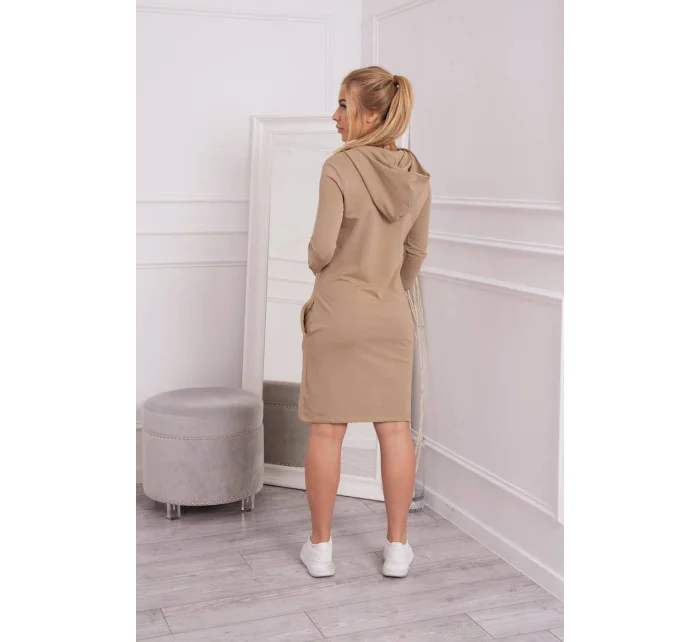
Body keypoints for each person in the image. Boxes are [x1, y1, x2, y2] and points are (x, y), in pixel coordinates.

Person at [298, 66, 431, 579]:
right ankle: (397, 549)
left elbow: (322, 248)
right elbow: (415, 253)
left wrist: (319, 263)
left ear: (370, 114)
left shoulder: (339, 167)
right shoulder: (416, 173)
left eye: (343, 105)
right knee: (395, 430)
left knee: (327, 431)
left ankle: (321, 550)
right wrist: (387, 291)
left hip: (338, 313)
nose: (335, 116)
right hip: (390, 316)